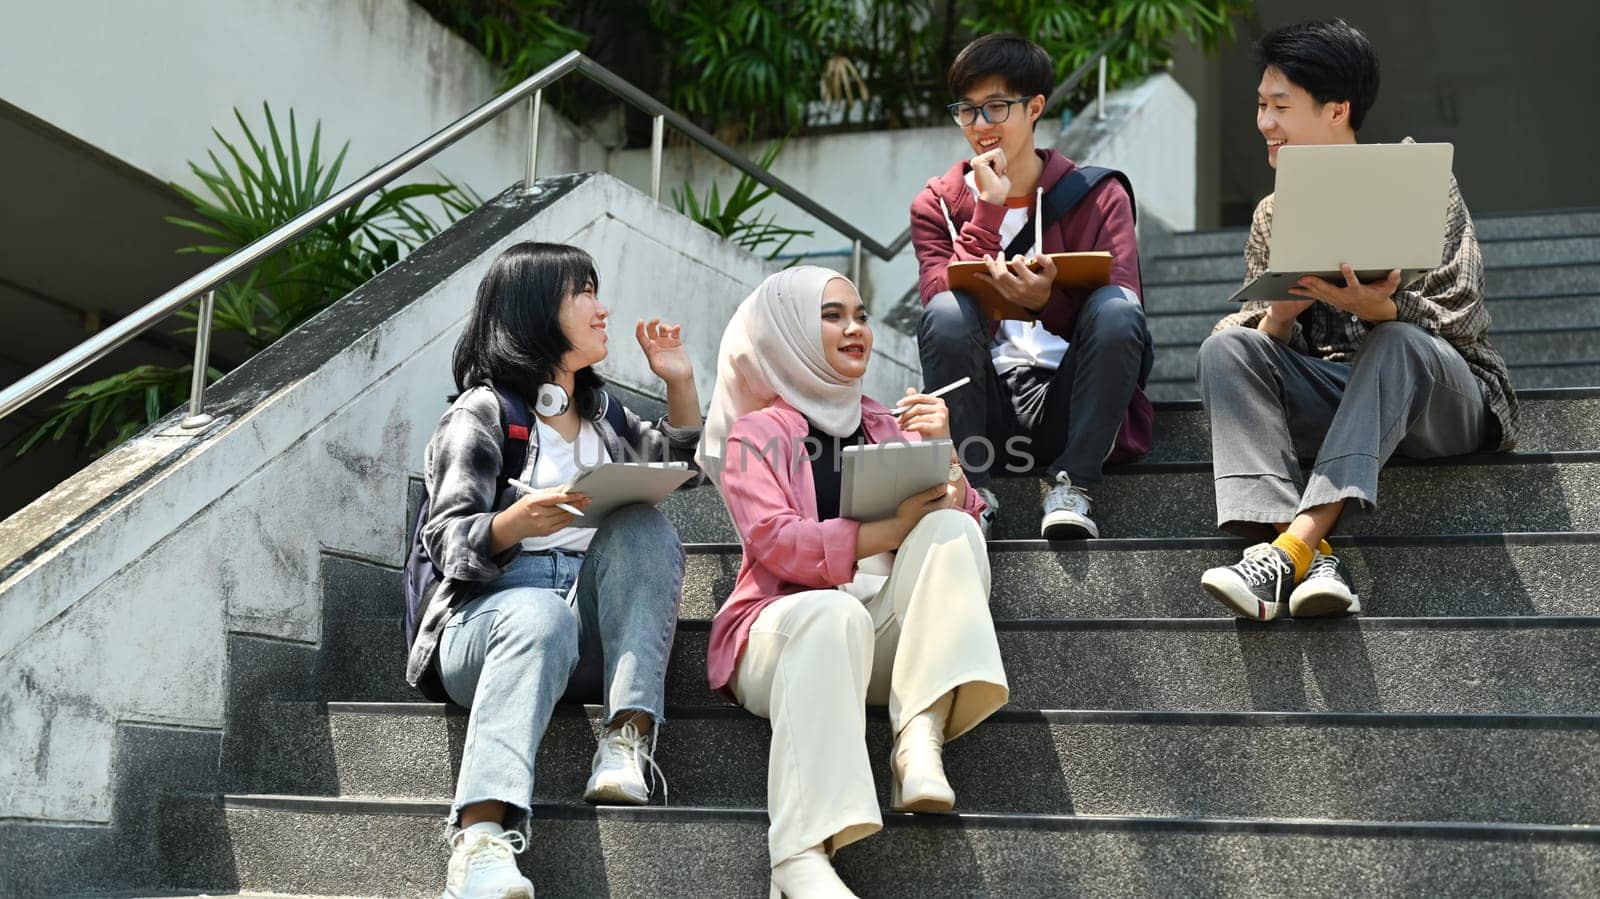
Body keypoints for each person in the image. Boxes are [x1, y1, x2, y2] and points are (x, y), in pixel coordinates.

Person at [698, 267, 1008, 898]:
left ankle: (918, 737)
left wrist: (945, 453)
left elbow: (966, 518)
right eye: (832, 315)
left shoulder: (887, 422)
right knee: (830, 614)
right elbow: (775, 544)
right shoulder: (757, 433)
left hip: (882, 640)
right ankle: (800, 859)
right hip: (784, 636)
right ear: (788, 333)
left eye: (861, 315)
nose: (855, 329)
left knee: (954, 532)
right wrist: (886, 531)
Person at [408, 242, 702, 899]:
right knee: (537, 616)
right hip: (485, 629)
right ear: (538, 310)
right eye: (585, 293)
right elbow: (447, 543)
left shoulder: (604, 415)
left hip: (580, 626)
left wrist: (678, 381)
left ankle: (626, 738)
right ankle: (479, 843)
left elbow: (679, 466)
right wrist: (515, 523)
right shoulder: (482, 415)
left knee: (643, 525)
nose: (603, 309)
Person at [1196, 20, 1517, 620]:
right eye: (1261, 105)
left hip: (1444, 399)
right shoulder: (1273, 211)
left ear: (1337, 109)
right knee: (1226, 352)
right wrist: (1280, 322)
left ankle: (1296, 539)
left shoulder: (1419, 180)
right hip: (1343, 397)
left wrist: (1385, 309)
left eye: (1280, 106)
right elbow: (1242, 331)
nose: (1265, 122)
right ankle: (1305, 558)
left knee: (1395, 340)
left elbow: (1464, 311)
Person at [912, 32, 1153, 540]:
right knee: (946, 313)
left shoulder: (1098, 195)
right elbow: (939, 308)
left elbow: (1124, 309)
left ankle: (1076, 484)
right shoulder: (936, 204)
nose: (980, 126)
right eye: (967, 110)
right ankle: (972, 491)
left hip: (1074, 404)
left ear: (1035, 106)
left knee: (1118, 308)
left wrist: (1047, 304)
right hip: (984, 411)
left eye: (996, 107)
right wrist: (988, 209)